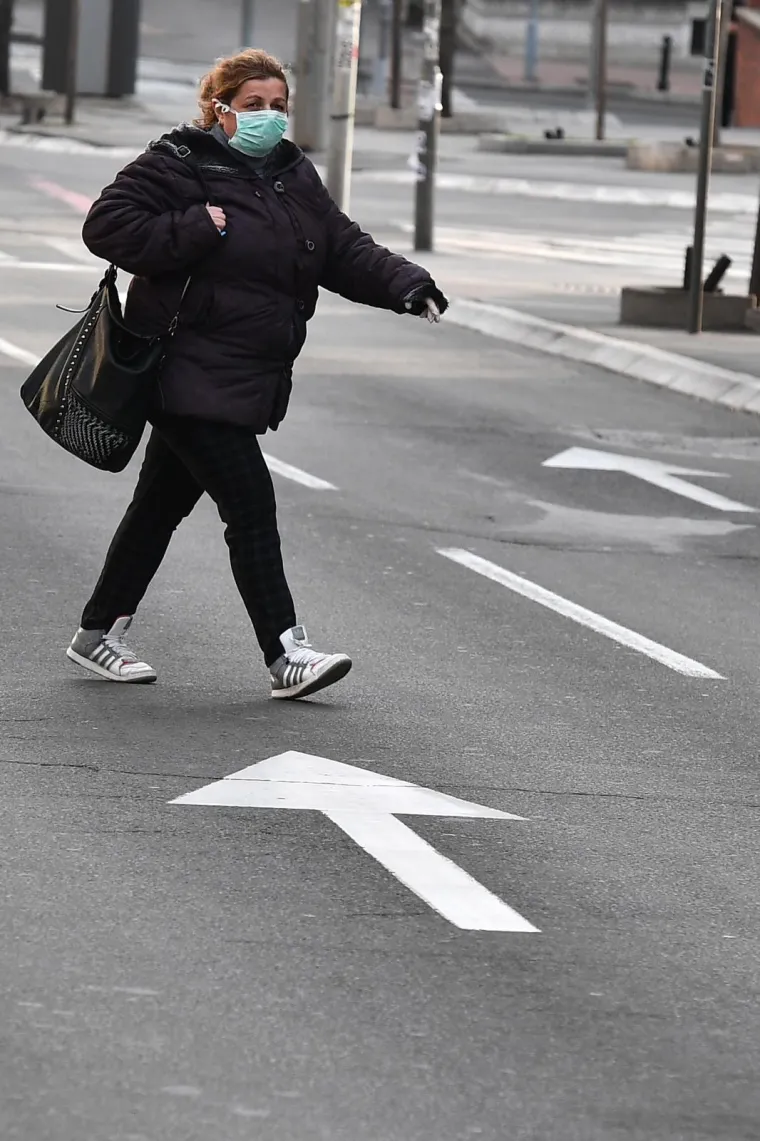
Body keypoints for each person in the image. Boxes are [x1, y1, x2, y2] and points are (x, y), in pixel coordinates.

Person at [66, 48, 448, 701]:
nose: (268, 117)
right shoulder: (179, 162)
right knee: (249, 503)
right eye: (253, 106)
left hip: (241, 372)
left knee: (157, 507)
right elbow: (107, 225)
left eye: (277, 106)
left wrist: (407, 285)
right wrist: (192, 227)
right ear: (219, 108)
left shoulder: (289, 172)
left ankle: (96, 633)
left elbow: (343, 247)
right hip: (182, 367)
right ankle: (286, 652)